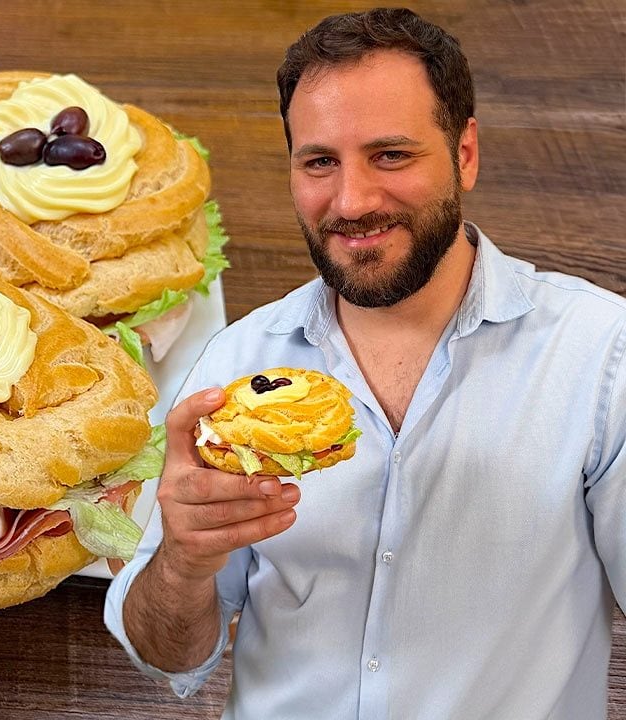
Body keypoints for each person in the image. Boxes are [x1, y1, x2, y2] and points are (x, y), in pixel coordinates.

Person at [104, 8, 626, 718]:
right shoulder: (235, 368)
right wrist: (182, 563)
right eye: (320, 161)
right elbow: (166, 652)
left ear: (464, 154)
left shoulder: (600, 356)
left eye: (392, 155)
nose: (351, 201)